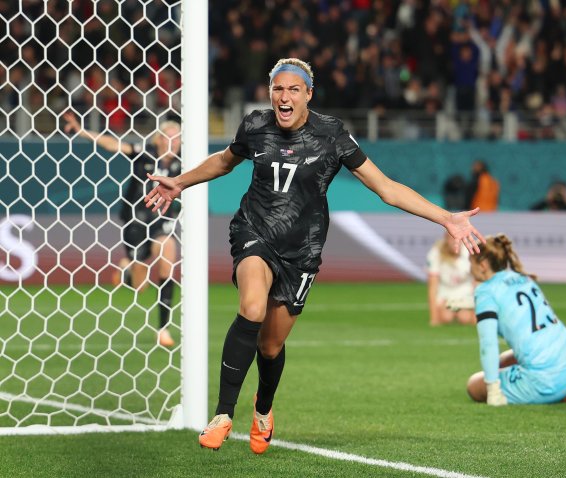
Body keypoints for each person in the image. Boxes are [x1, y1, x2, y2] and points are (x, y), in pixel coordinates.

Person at [143, 58, 485, 453]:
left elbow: (386, 188)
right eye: (277, 89)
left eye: (292, 90)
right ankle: (222, 413)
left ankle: (264, 408)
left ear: (308, 94)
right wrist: (179, 183)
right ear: (270, 92)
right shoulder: (255, 126)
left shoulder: (332, 135)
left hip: (302, 250)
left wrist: (445, 218)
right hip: (254, 231)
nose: (283, 97)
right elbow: (224, 161)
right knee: (251, 307)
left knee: (270, 346)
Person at [63, 112, 181, 348]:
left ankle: (163, 329)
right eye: (168, 137)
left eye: (177, 139)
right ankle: (127, 269)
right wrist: (81, 130)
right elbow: (112, 144)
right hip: (135, 220)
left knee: (169, 252)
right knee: (139, 285)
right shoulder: (144, 153)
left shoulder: (182, 164)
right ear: (158, 139)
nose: (173, 142)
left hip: (160, 223)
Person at [466, 234, 566, 406]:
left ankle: (554, 393)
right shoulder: (523, 278)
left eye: (470, 263)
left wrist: (493, 389)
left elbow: (488, 343)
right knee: (504, 360)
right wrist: (469, 304)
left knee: (474, 385)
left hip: (545, 382)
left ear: (483, 265)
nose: (468, 269)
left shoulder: (485, 291)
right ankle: (565, 391)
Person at [426, 232, 475, 326]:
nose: (455, 243)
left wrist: (476, 313)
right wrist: (434, 319)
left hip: (465, 292)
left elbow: (476, 282)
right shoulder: (436, 253)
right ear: (446, 239)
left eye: (457, 240)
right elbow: (433, 286)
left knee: (465, 318)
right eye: (451, 239)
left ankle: (462, 311)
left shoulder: (470, 251)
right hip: (445, 293)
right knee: (446, 317)